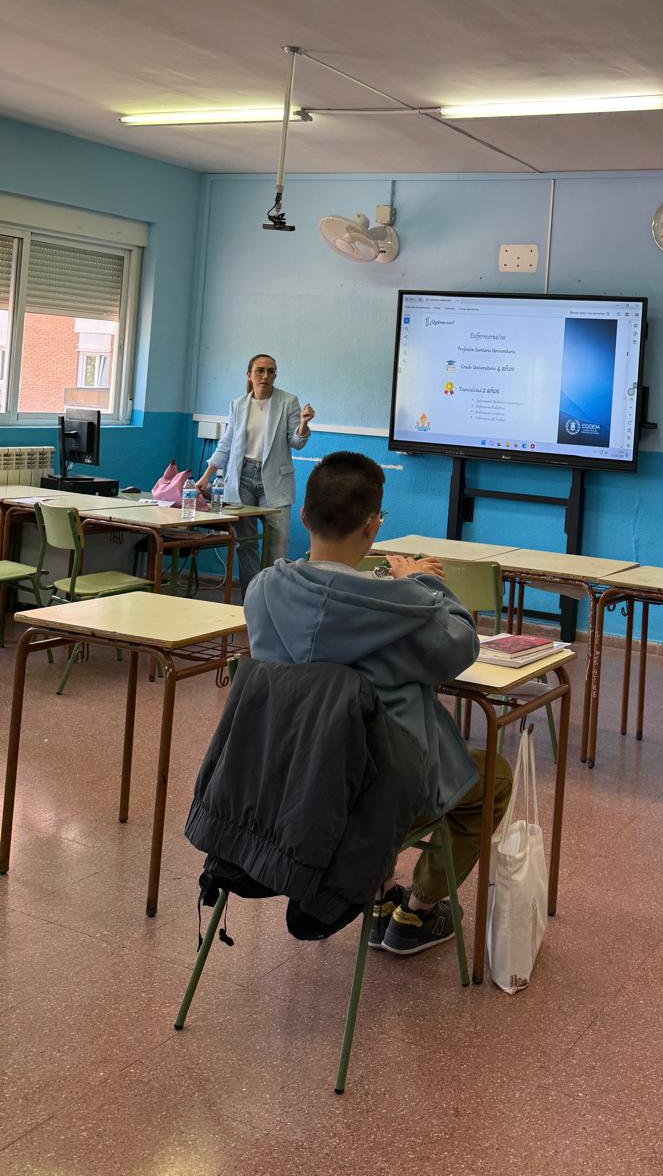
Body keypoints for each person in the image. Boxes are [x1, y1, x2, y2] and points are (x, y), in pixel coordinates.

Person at [244, 450, 513, 957]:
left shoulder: (262, 590)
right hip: (371, 799)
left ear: (305, 517)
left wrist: (395, 589)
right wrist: (425, 585)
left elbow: (331, 606)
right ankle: (419, 910)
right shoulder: (405, 607)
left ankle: (380, 892)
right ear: (373, 526)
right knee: (493, 778)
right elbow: (459, 647)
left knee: (370, 751)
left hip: (280, 786)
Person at [197, 353, 315, 599]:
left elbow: (297, 442)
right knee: (246, 542)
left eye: (271, 371)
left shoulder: (288, 401)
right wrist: (206, 476)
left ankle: (273, 598)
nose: (265, 376)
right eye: (260, 370)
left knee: (277, 542)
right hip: (242, 478)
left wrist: (303, 424)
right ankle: (252, 598)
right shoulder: (238, 404)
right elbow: (227, 443)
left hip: (275, 479)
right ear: (249, 375)